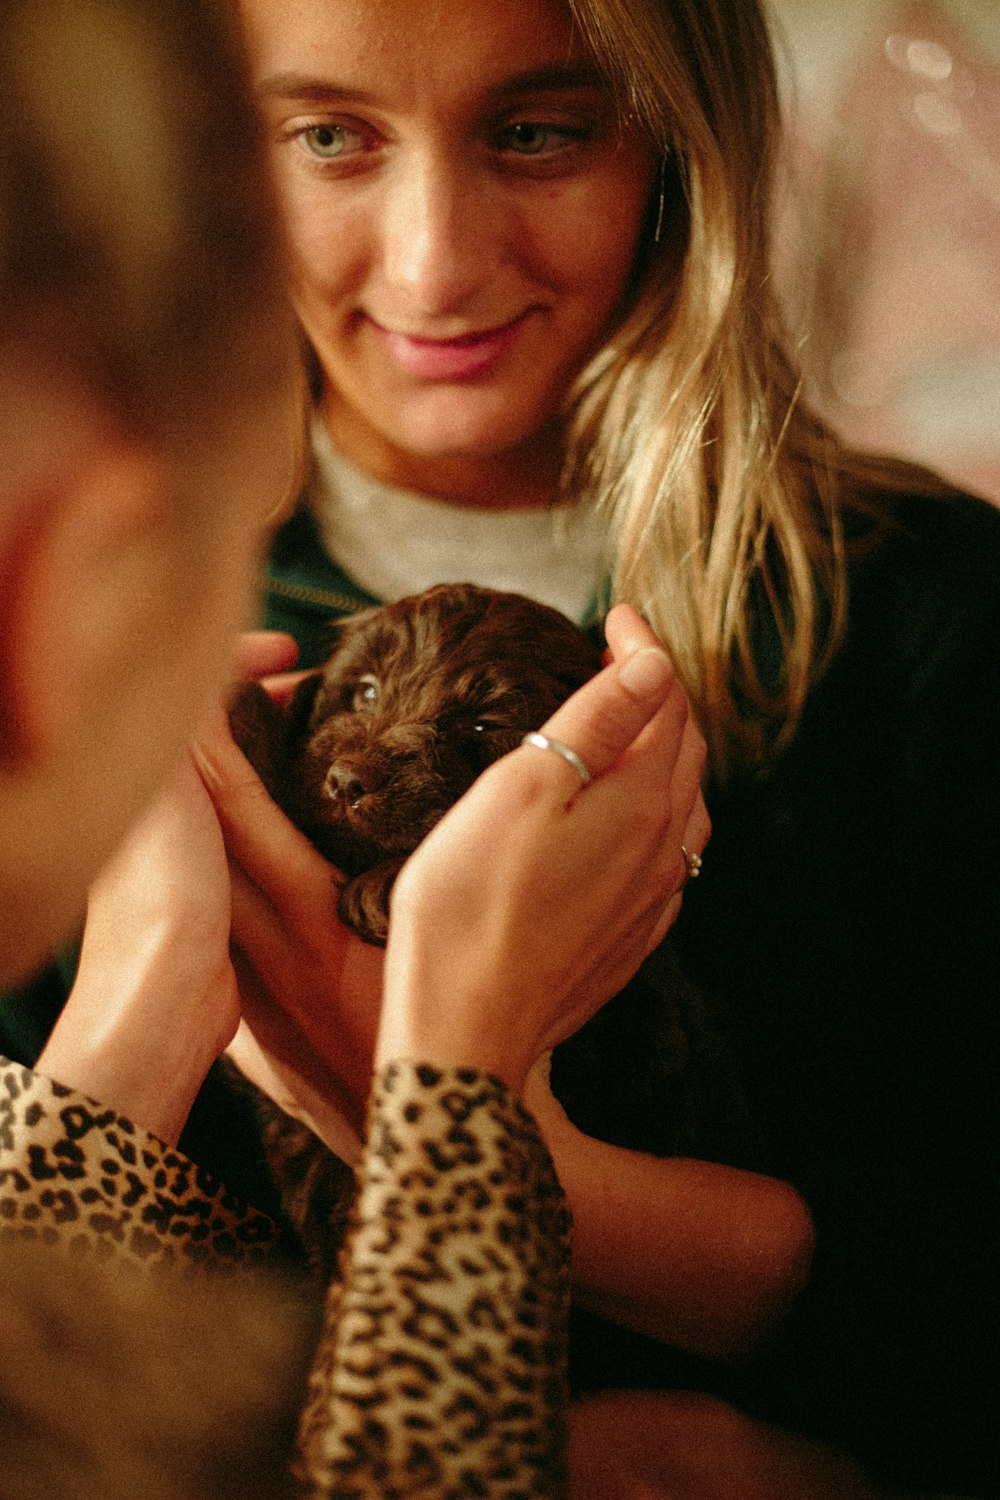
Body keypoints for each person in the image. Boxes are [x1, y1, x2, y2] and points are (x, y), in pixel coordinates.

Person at [3, 0, 998, 1494]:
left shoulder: (927, 615)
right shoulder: (99, 612)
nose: (434, 263)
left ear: (681, 148)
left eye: (536, 132)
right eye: (329, 136)